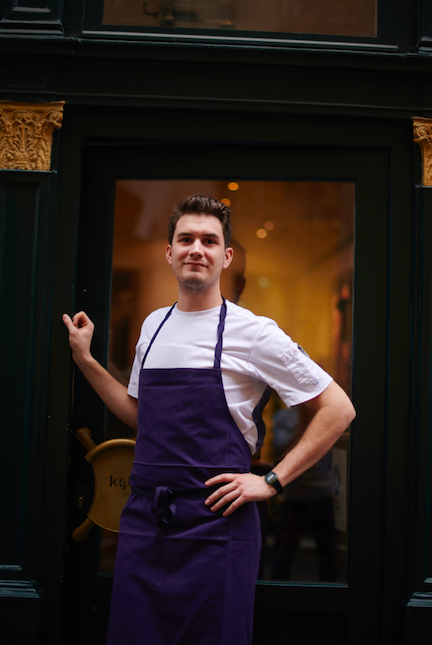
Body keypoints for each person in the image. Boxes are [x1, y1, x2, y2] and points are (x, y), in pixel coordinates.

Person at [63, 194, 355, 645]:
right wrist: (85, 359)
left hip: (218, 527)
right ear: (169, 252)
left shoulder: (254, 332)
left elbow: (338, 409)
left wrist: (271, 481)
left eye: (209, 240)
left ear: (226, 255)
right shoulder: (153, 326)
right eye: (186, 239)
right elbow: (141, 417)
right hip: (147, 523)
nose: (196, 249)